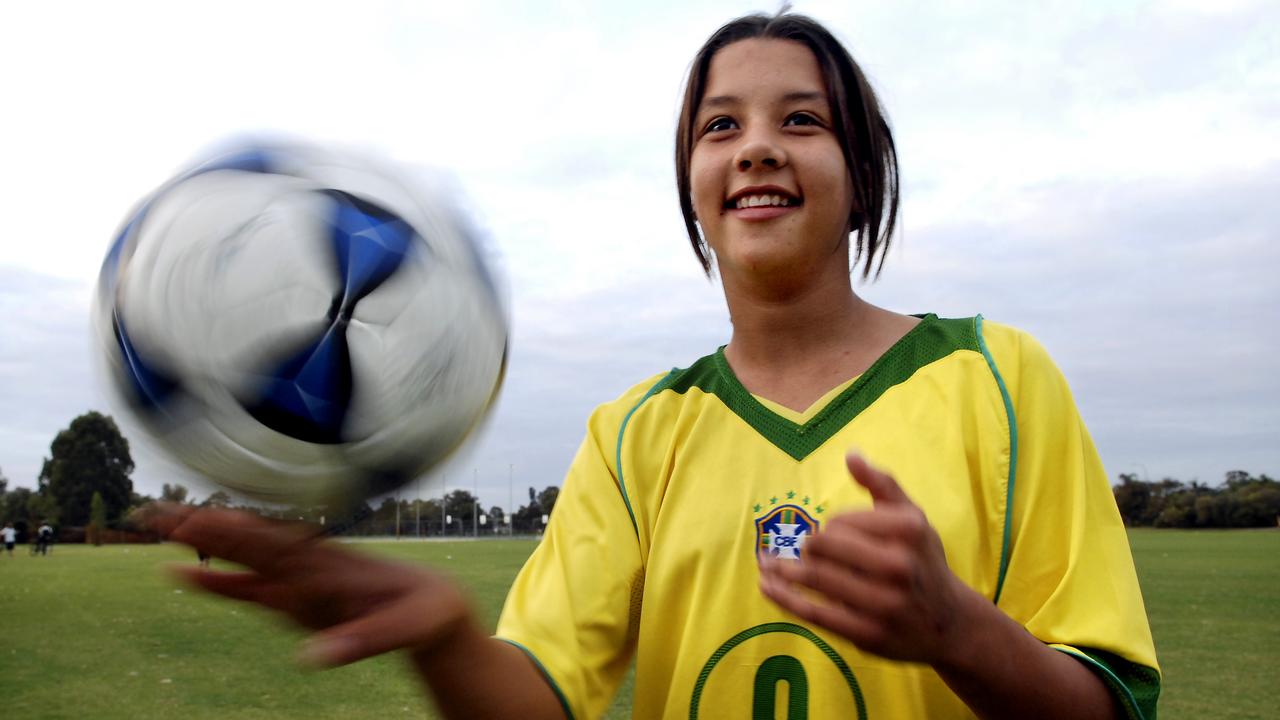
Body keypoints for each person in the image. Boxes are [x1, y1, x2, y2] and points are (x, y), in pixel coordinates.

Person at [141, 11, 1159, 719]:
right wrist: (446, 636)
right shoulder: (635, 434)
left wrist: (954, 631)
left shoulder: (998, 379)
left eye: (799, 120)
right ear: (692, 185)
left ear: (862, 175)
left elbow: (1103, 706)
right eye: (720, 126)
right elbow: (533, 699)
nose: (755, 147)